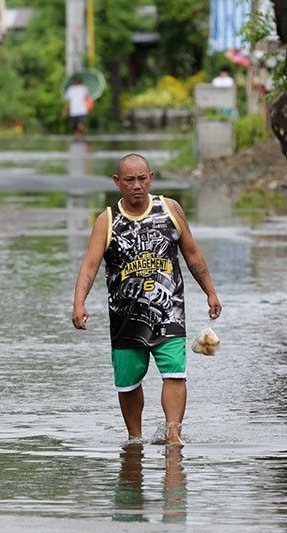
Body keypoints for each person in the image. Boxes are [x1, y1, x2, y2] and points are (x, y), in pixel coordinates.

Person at [71, 154, 222, 446]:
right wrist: (79, 303)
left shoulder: (170, 209)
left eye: (142, 179)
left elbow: (192, 254)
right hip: (125, 317)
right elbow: (89, 265)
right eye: (130, 180)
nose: (137, 186)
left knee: (175, 373)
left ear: (151, 178)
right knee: (128, 383)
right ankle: (135, 439)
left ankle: (174, 435)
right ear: (118, 183)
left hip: (169, 311)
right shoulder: (107, 220)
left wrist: (210, 291)